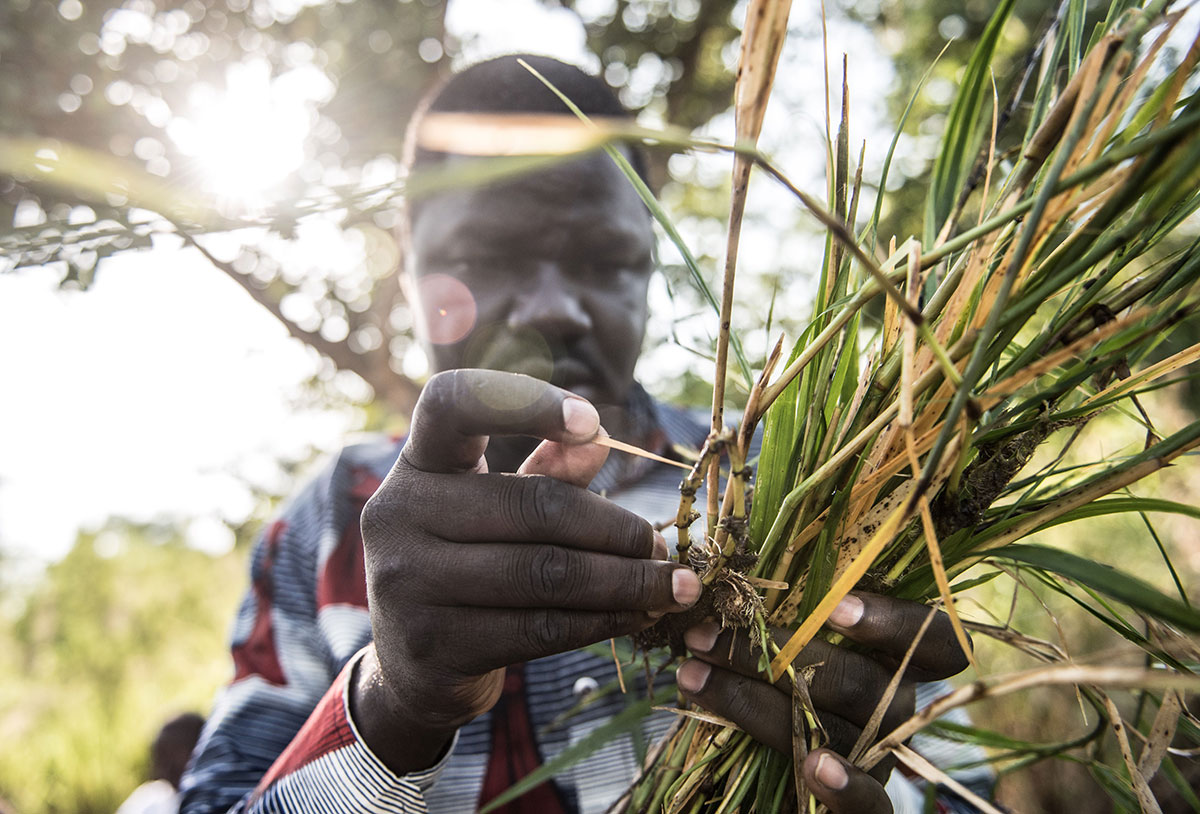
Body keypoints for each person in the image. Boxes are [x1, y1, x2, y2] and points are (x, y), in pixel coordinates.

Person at [180, 55, 993, 814]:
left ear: (649, 269)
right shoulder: (327, 525)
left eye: (604, 261)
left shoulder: (794, 488)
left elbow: (955, 783)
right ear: (410, 268)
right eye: (489, 255)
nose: (553, 308)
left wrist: (874, 775)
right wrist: (394, 700)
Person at [117, 712, 206, 814]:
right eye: (161, 758)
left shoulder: (219, 800)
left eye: (174, 753)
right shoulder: (147, 802)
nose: (167, 768)